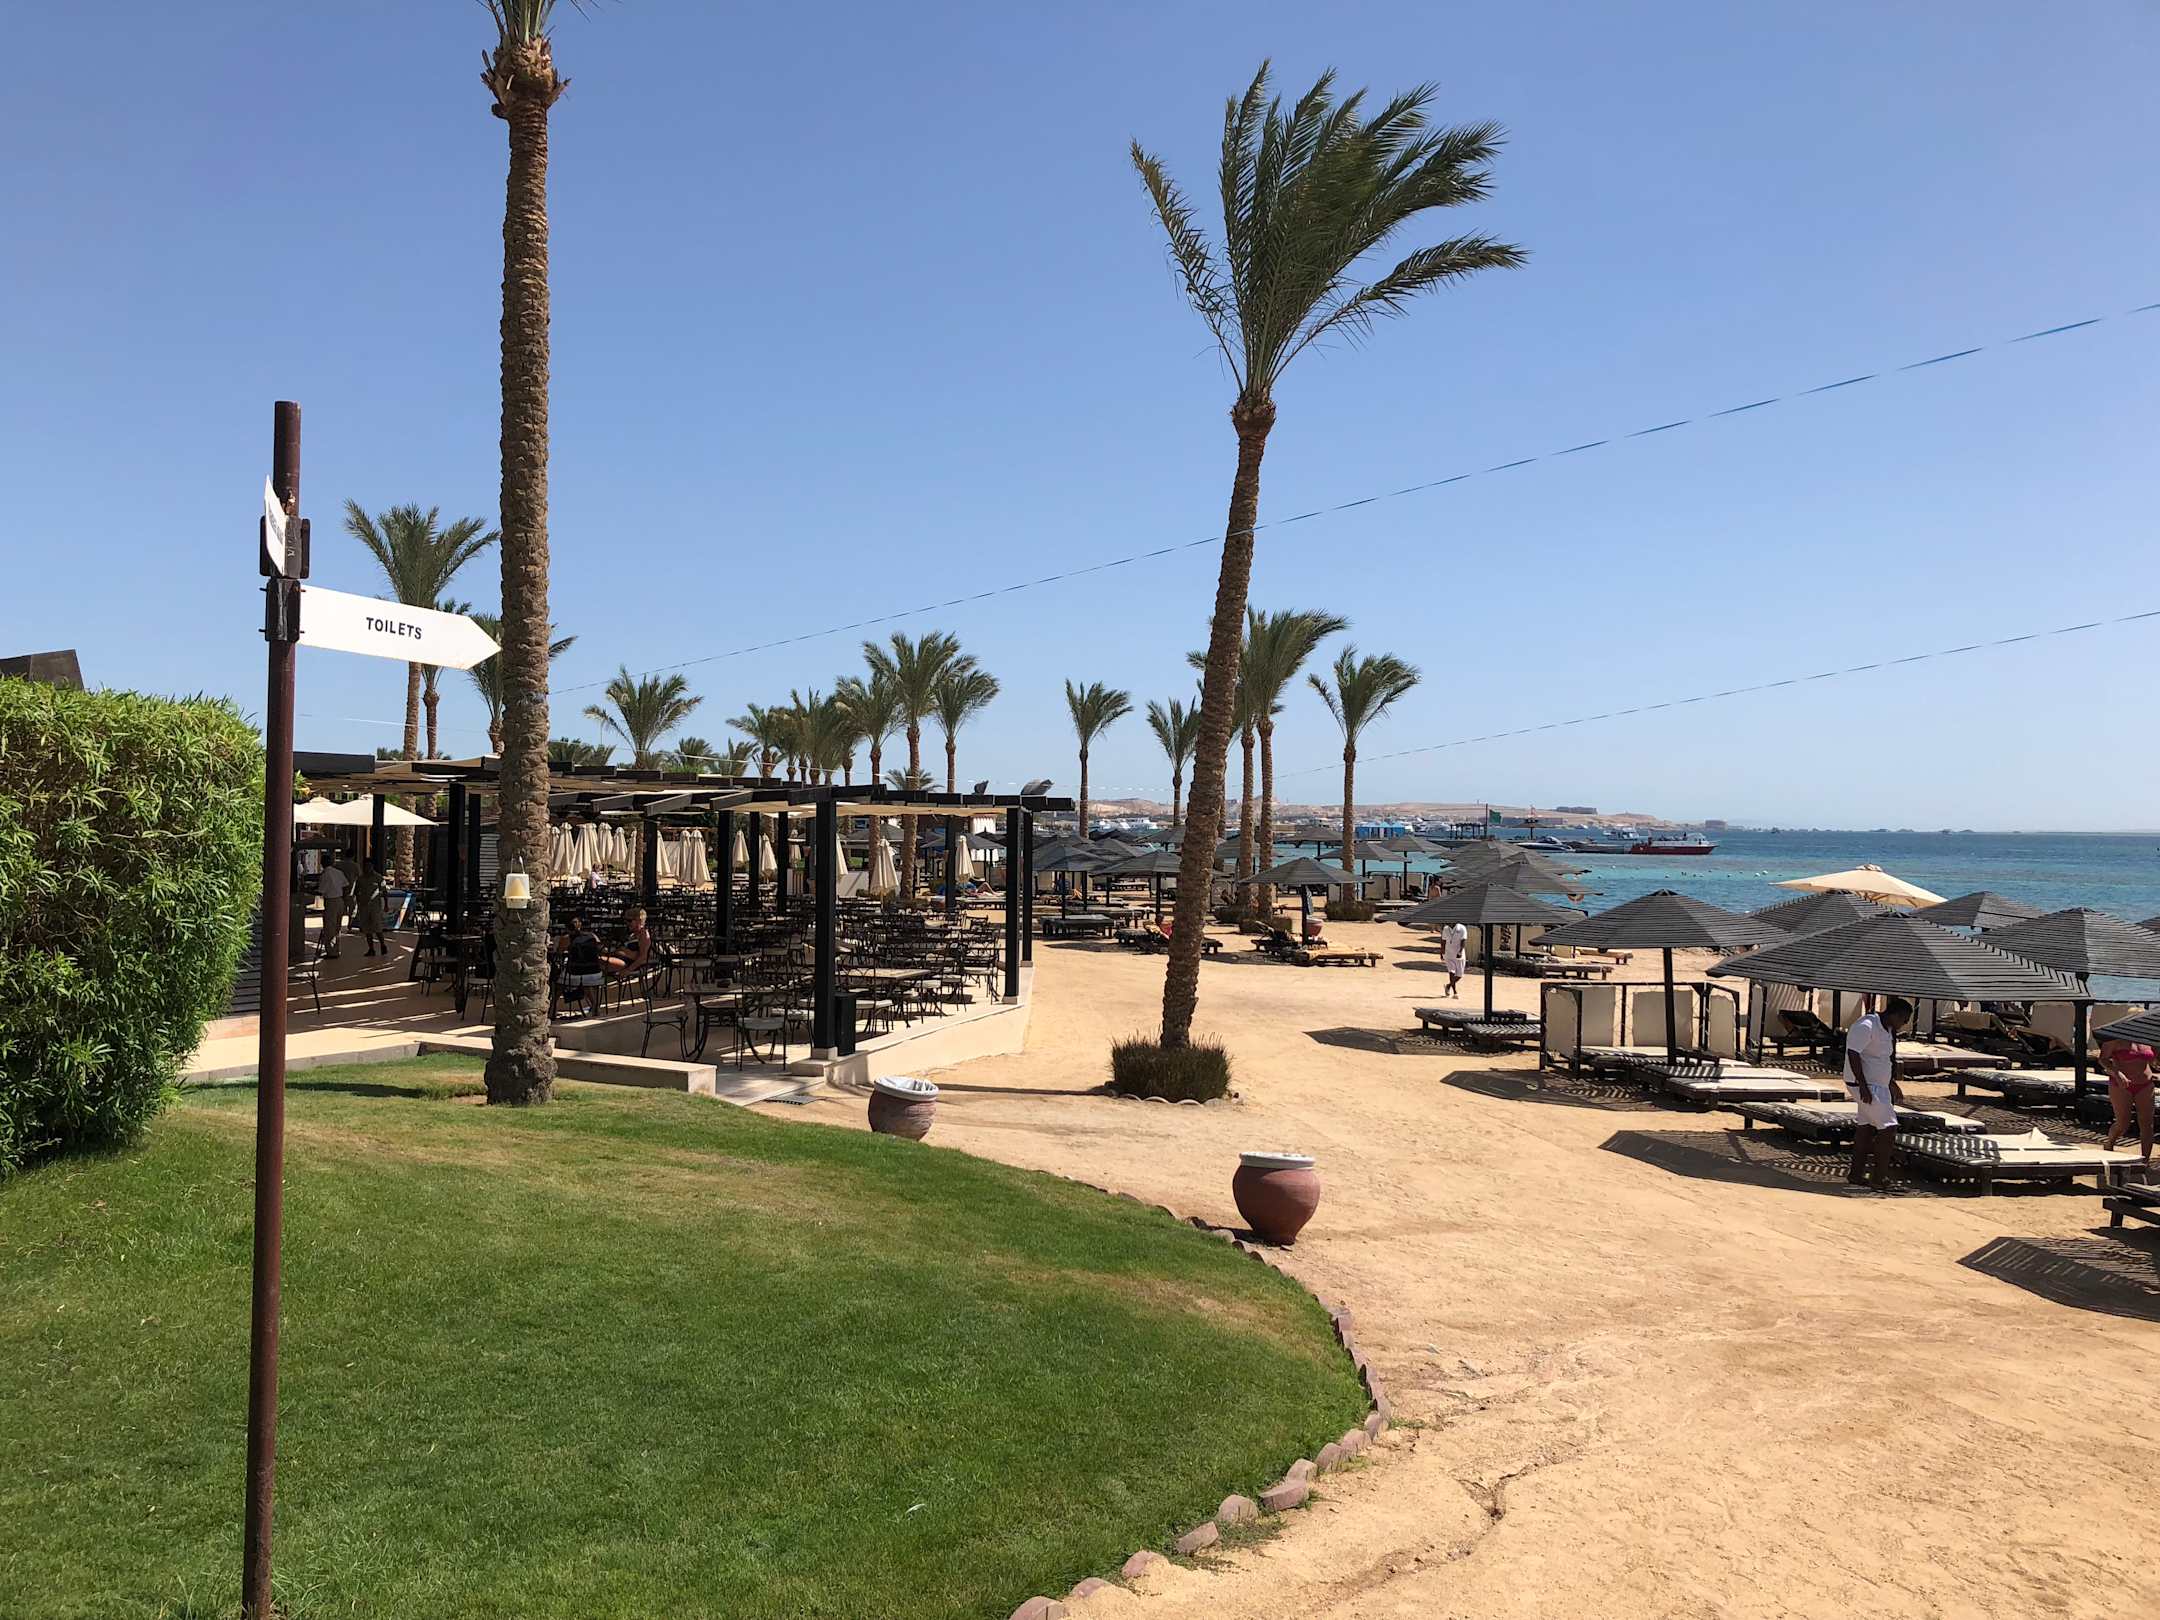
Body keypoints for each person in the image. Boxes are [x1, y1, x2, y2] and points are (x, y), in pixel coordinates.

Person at [1843, 997, 1913, 1192]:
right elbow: (1853, 1054)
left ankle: (1856, 1174)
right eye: (1904, 1020)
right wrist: (1863, 1086)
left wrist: (1890, 1083)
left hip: (1878, 1085)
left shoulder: (1888, 1030)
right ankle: (1879, 1178)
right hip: (1866, 1085)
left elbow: (1882, 1059)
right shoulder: (1866, 1025)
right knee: (1889, 1128)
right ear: (1894, 1014)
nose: (1904, 1024)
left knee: (1865, 1128)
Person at [2100, 1035, 2156, 1165]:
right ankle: (2109, 1143)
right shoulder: (2115, 1039)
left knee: (2147, 1124)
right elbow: (2103, 1059)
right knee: (2123, 1123)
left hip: (2145, 1084)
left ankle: (2144, 1163)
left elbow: (2154, 1058)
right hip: (2121, 1084)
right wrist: (2116, 1072)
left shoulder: (2148, 1037)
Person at [605, 906, 653, 978]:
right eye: (626, 921)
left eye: (629, 920)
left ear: (639, 920)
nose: (627, 923)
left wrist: (628, 970)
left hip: (629, 964)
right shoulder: (633, 934)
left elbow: (643, 957)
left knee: (599, 961)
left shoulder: (643, 934)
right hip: (621, 959)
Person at [315, 857, 349, 959]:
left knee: (329, 927)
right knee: (337, 927)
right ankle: (336, 949)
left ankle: (331, 952)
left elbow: (321, 891)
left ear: (322, 864)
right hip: (340, 900)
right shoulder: (338, 872)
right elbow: (346, 885)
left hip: (331, 901)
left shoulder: (325, 874)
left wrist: (308, 890)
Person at [354, 859, 388, 958]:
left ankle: (382, 945)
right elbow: (356, 891)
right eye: (366, 866)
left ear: (372, 866)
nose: (367, 868)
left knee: (377, 927)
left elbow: (384, 891)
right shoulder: (360, 879)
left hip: (375, 907)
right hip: (364, 907)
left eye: (369, 866)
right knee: (367, 929)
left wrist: (386, 904)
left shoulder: (378, 878)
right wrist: (359, 901)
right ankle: (371, 949)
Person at [1441, 920, 1469, 1000]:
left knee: (1459, 975)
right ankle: (1455, 992)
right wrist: (1442, 952)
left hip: (1458, 955)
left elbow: (1463, 941)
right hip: (1448, 954)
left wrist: (1460, 951)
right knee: (1451, 972)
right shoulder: (1446, 929)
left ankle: (1448, 986)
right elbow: (1443, 941)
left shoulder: (1462, 928)